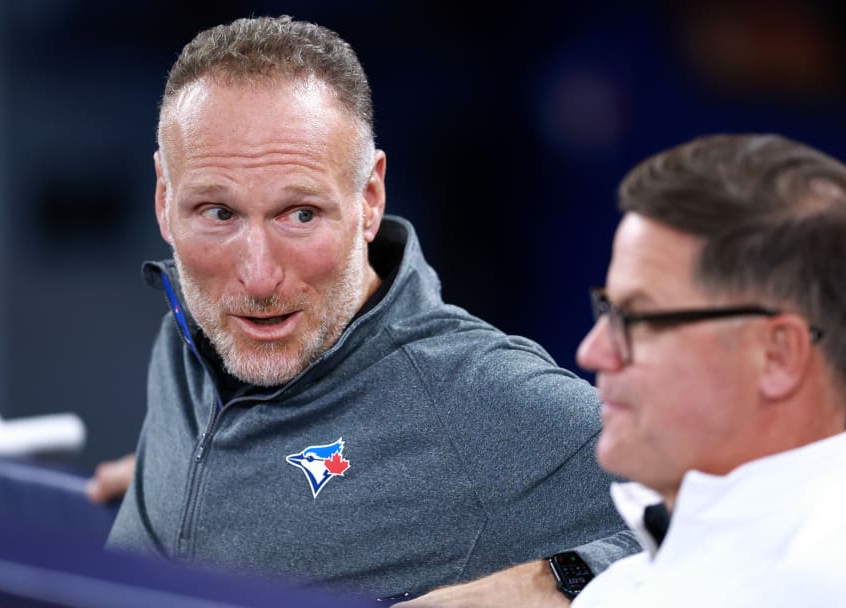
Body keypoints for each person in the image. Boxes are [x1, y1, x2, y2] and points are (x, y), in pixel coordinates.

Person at [104, 14, 639, 603]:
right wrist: (217, 480)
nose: (257, 276)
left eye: (300, 214)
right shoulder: (185, 336)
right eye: (217, 213)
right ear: (163, 199)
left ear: (370, 199)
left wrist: (562, 581)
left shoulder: (473, 395)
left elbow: (736, 503)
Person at [571, 134, 846, 606]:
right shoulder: (621, 589)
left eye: (639, 319)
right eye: (606, 309)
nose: (593, 351)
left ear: (778, 356)